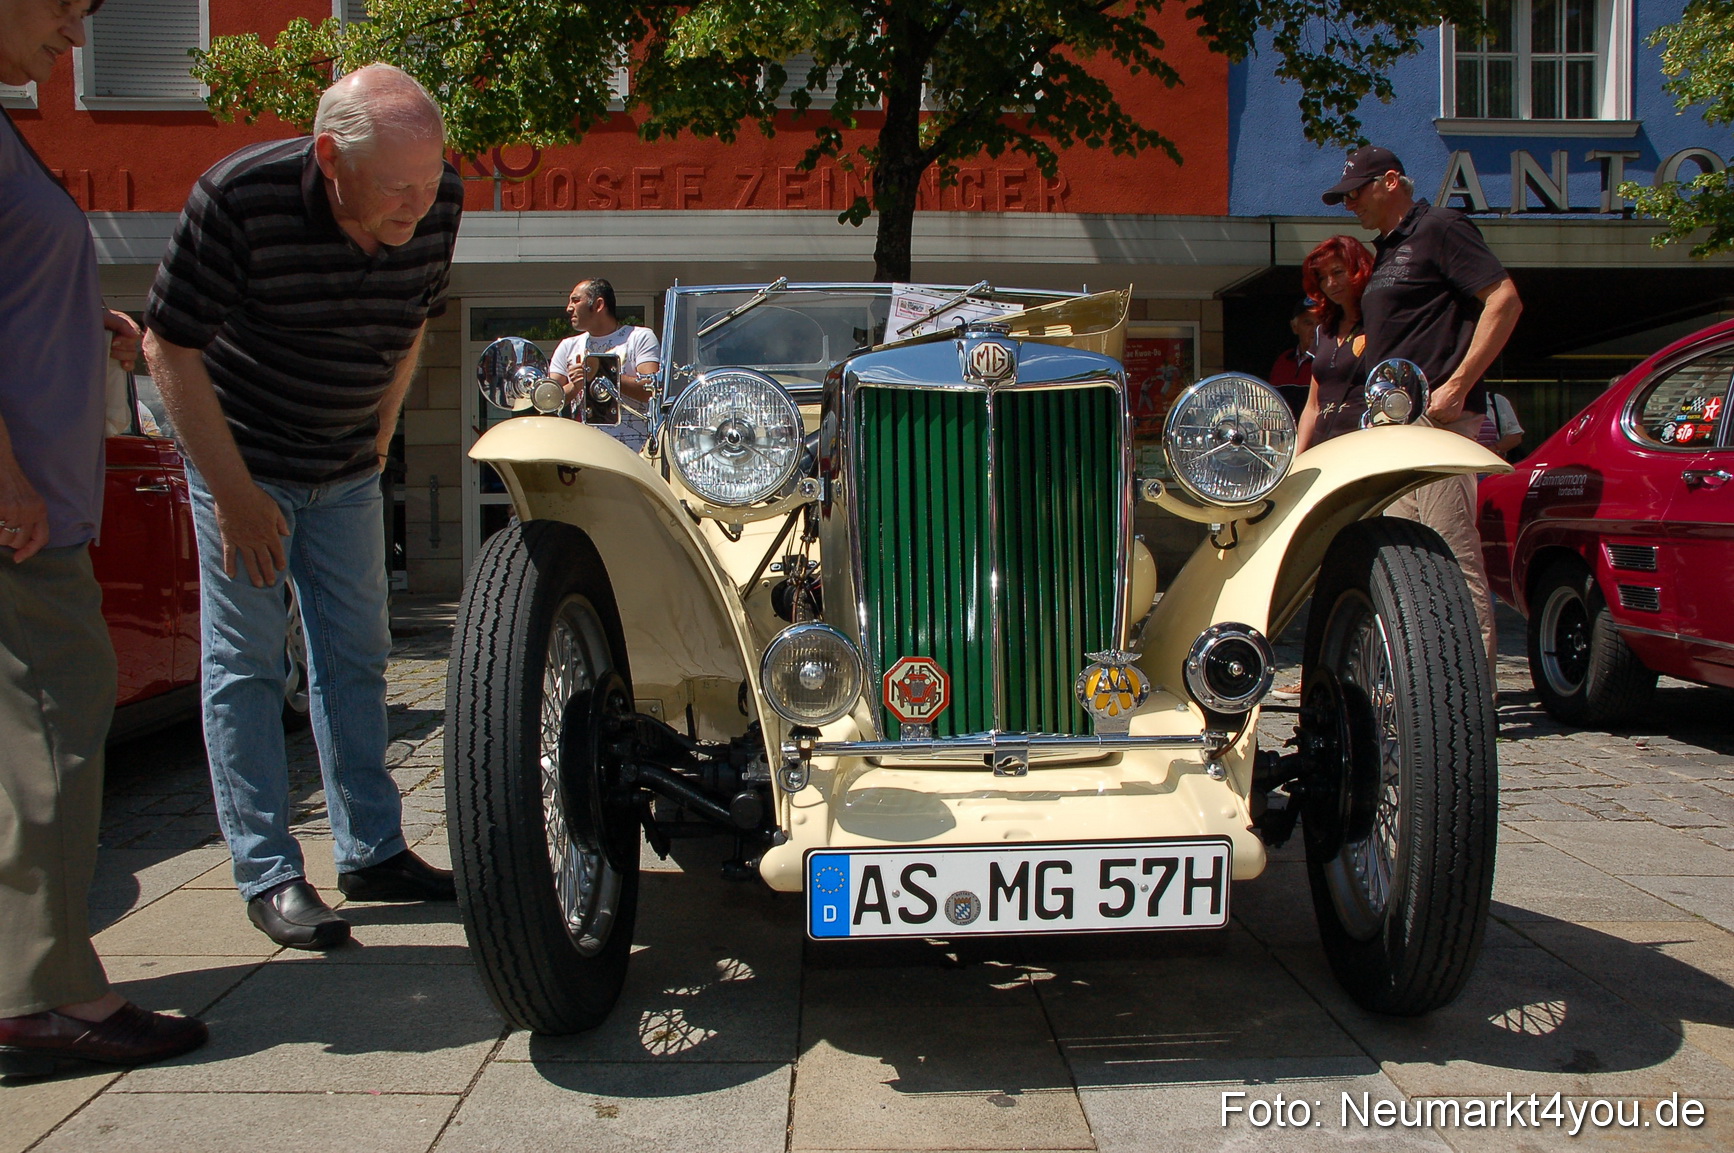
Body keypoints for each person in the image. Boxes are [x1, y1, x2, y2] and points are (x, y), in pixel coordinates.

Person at [142, 64, 463, 949]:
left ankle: (373, 849)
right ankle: (268, 870)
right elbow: (167, 345)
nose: (418, 205)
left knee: (358, 652)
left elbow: (413, 324)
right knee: (246, 662)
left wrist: (379, 439)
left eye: (430, 181)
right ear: (329, 157)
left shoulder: (438, 200)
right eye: (398, 186)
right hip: (241, 458)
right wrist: (236, 495)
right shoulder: (238, 200)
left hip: (346, 464)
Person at [0, 0, 207, 1076]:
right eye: (61, 10)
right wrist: (11, 483)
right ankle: (47, 997)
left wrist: (90, 318)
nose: (74, 40)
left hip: (38, 505)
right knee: (51, 733)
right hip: (23, 521)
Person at [1323, 145, 1523, 669]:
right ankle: (1424, 692)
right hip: (1393, 429)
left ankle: (1473, 700)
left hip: (1436, 421)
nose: (1350, 204)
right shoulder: (1388, 249)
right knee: (1404, 563)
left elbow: (1504, 300)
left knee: (1450, 554)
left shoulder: (1440, 226)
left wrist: (1457, 386)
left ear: (1391, 181)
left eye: (1356, 192)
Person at [548, 278, 662, 450]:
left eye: (576, 300)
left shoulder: (639, 337)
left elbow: (651, 391)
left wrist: (601, 373)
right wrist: (576, 386)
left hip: (634, 450)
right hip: (585, 451)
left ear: (599, 304)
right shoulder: (568, 346)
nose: (569, 308)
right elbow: (549, 400)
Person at [1295, 236, 1375, 453]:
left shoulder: (1379, 325)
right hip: (1324, 450)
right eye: (1322, 277)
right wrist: (1297, 460)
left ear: (1359, 270)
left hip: (1366, 447)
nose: (1330, 283)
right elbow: (1313, 406)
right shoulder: (1324, 331)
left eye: (1338, 272)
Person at [1266, 299, 1317, 419]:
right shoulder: (1284, 360)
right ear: (1295, 327)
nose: (1315, 330)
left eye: (1321, 324)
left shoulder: (1331, 360)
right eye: (1308, 323)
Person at [1478, 392, 1524, 459]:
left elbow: (1515, 436)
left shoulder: (1497, 400)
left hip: (1493, 462)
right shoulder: (1458, 401)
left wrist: (1493, 449)